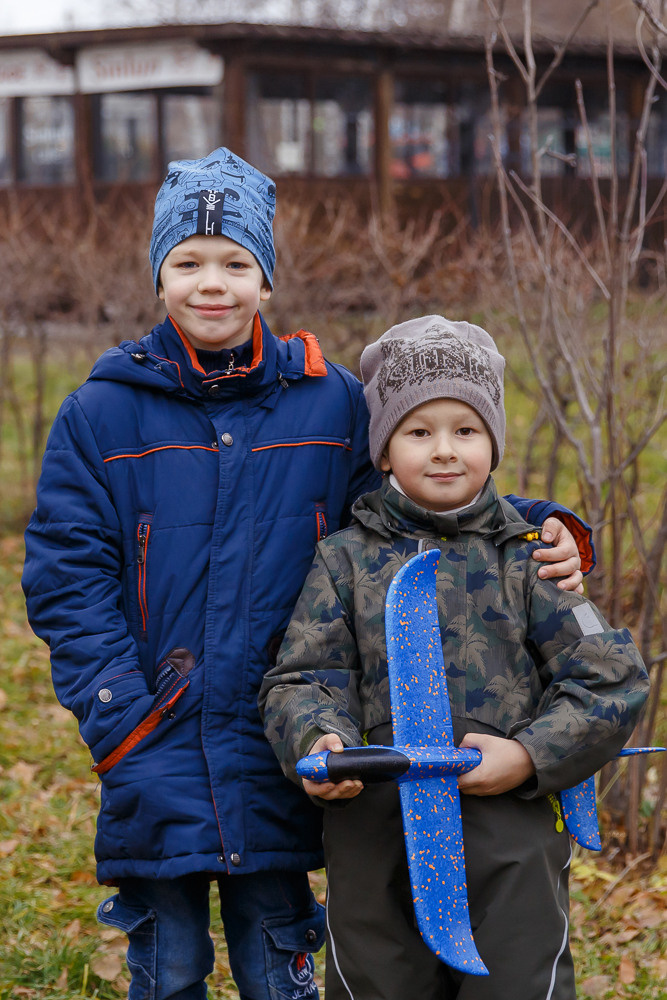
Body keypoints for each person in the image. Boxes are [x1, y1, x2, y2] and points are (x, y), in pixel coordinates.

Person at [22, 147, 587, 1000]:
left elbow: (421, 491)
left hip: (280, 745)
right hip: (153, 740)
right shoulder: (100, 413)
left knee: (274, 958)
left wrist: (543, 523)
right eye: (188, 263)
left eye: (235, 263)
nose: (212, 285)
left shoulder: (331, 404)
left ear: (266, 278)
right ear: (158, 275)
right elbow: (68, 575)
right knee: (167, 964)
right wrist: (119, 714)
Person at [259, 316, 649, 1000]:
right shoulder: (343, 561)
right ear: (384, 452)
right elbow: (301, 679)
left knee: (517, 982)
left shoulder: (531, 558)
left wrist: (527, 756)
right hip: (374, 833)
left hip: (510, 836)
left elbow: (610, 679)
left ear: (492, 443)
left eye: (465, 430)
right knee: (378, 983)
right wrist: (318, 742)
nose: (444, 451)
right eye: (418, 432)